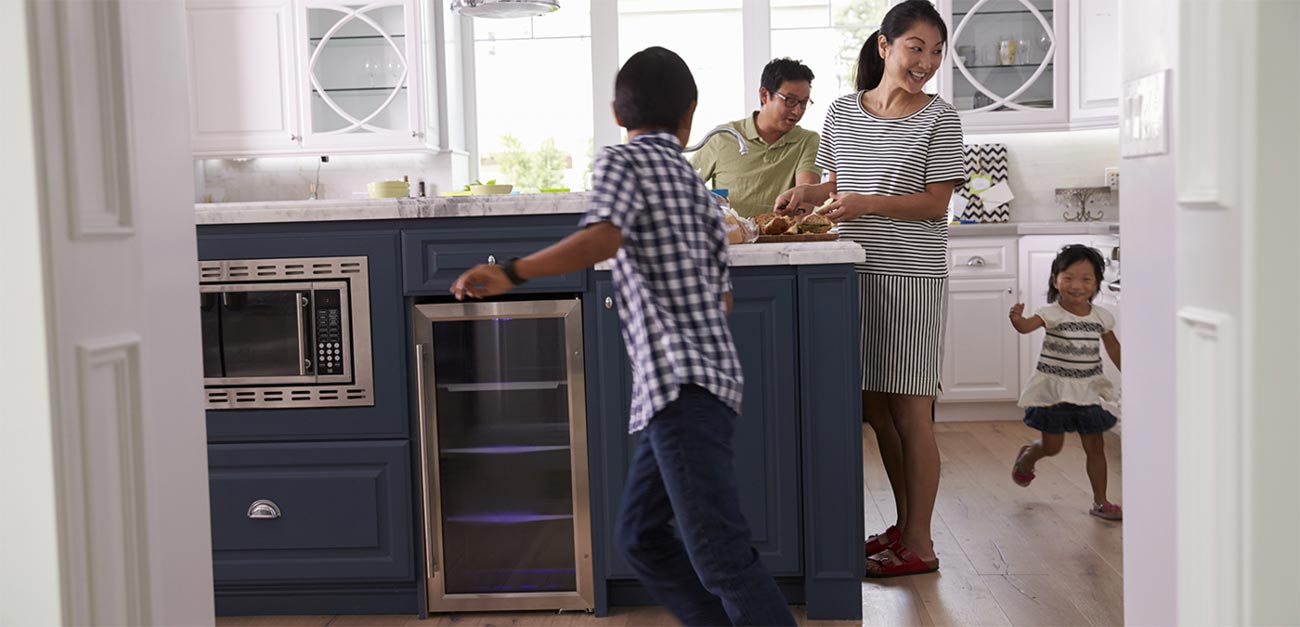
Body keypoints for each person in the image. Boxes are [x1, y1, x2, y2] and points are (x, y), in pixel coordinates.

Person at [450, 46, 796, 626]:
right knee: (639, 538)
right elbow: (724, 297)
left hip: (679, 388)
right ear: (690, 115)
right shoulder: (696, 190)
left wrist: (512, 271)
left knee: (720, 557)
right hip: (699, 390)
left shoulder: (623, 163)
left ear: (617, 112)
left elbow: (604, 237)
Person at [773, 0, 963, 578]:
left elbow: (936, 202)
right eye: (916, 48)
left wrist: (864, 203)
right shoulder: (840, 113)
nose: (926, 61)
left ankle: (922, 546)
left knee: (911, 409)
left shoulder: (940, 118)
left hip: (912, 278)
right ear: (884, 46)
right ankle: (905, 530)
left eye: (935, 51)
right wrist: (807, 197)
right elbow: (834, 184)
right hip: (854, 273)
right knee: (876, 407)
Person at [1008, 244, 1123, 521]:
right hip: (1054, 393)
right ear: (1055, 279)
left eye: (1086, 279)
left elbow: (1114, 349)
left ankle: (1100, 502)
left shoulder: (1101, 317)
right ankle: (1028, 458)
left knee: (1095, 447)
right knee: (1052, 447)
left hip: (1087, 392)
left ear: (1097, 284)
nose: (1076, 285)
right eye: (1068, 277)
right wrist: (1017, 319)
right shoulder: (1051, 313)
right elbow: (1026, 328)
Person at [691, 58, 822, 217]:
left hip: (784, 239)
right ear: (765, 95)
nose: (797, 111)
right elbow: (684, 188)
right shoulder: (723, 137)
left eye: (803, 103)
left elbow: (806, 196)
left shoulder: (807, 141)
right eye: (791, 101)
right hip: (733, 239)